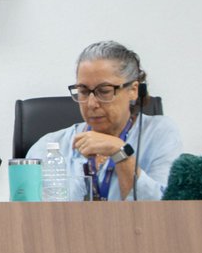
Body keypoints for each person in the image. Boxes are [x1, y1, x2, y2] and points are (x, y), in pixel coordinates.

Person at [27, 40, 182, 201]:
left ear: (133, 90)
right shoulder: (49, 146)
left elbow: (164, 212)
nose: (92, 103)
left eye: (104, 91)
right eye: (84, 91)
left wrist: (120, 153)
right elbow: (26, 215)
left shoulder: (158, 133)